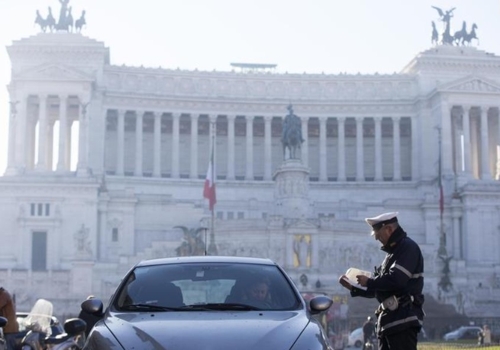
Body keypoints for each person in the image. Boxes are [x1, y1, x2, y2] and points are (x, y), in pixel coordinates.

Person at [338, 212, 424, 350]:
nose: (376, 238)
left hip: (403, 320)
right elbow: (380, 289)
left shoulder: (408, 247)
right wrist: (354, 287)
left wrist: (370, 282)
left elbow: (396, 280)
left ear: (389, 229)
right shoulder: (392, 255)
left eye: (377, 233)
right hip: (390, 322)